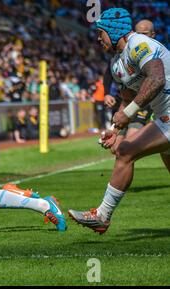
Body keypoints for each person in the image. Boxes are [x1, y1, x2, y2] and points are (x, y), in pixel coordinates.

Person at [68, 8, 170, 234]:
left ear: (115, 32)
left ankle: (102, 216)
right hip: (164, 115)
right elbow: (128, 101)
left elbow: (157, 78)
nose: (98, 38)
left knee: (125, 152)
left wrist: (129, 111)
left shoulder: (140, 44)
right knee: (124, 148)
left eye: (101, 33)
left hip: (167, 115)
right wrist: (114, 129)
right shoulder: (116, 65)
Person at [105, 19, 155, 155]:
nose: (140, 37)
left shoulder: (155, 53)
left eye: (144, 33)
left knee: (127, 148)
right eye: (138, 33)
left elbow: (157, 82)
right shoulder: (122, 57)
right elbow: (125, 98)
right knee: (116, 149)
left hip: (147, 105)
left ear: (153, 34)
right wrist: (114, 130)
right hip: (129, 104)